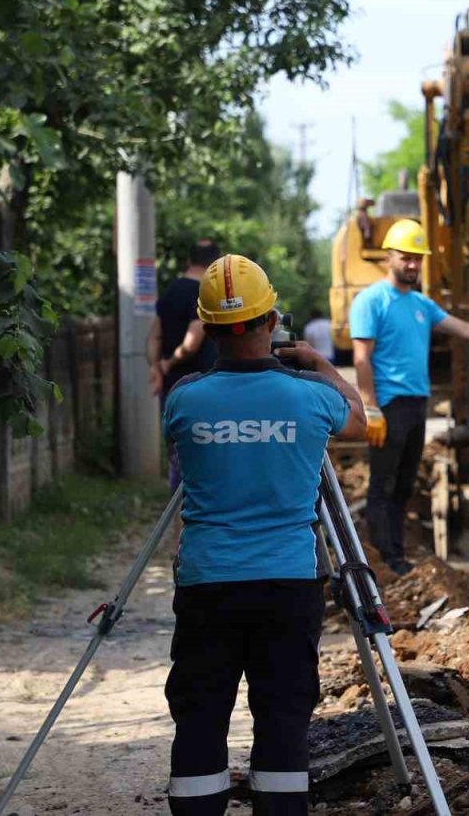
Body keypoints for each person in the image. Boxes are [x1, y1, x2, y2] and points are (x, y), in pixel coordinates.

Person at [162, 254, 366, 816]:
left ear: (207, 330)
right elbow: (363, 421)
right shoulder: (312, 397)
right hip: (288, 582)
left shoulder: (184, 399)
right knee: (282, 713)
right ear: (271, 320)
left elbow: (183, 453)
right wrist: (319, 364)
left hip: (209, 582)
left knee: (201, 712)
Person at [350, 218, 469, 576]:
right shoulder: (371, 301)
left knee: (404, 485)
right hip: (388, 406)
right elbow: (361, 357)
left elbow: (464, 329)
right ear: (389, 256)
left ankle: (398, 553)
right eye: (406, 257)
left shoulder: (422, 304)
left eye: (418, 258)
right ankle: (386, 560)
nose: (412, 264)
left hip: (417, 404)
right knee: (383, 485)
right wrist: (370, 406)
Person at [148, 238, 223, 490]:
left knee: (178, 464)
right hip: (201, 389)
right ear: (215, 264)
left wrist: (155, 368)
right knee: (202, 470)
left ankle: (177, 528)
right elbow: (192, 343)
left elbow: (153, 336)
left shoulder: (170, 291)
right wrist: (168, 363)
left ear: (188, 261)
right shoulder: (205, 293)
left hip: (172, 393)